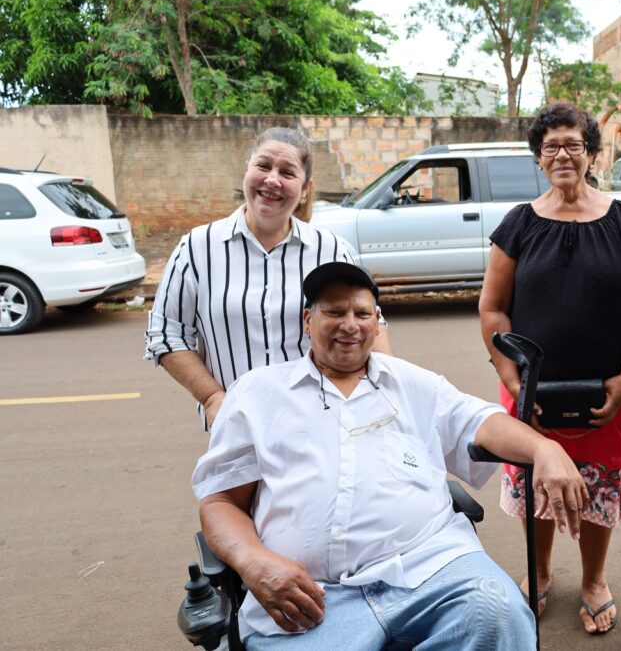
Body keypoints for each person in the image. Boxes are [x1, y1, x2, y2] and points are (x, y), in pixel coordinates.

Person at [194, 261, 588, 649]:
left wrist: (544, 447)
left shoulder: (413, 384)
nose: (350, 325)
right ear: (308, 321)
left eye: (362, 313)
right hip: (311, 598)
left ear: (377, 322)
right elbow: (221, 500)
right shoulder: (258, 394)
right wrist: (253, 563)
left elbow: (481, 421)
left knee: (498, 613)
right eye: (335, 312)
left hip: (430, 572)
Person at [478, 102, 621, 634]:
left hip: (607, 391)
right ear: (538, 157)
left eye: (573, 145)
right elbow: (493, 309)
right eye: (550, 146)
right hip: (531, 390)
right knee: (538, 480)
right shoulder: (518, 224)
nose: (561, 155)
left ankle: (594, 579)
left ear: (591, 154)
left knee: (598, 486)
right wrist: (513, 382)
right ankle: (538, 569)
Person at [144, 127, 390, 428]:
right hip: (238, 427)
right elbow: (166, 333)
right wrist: (212, 398)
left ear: (305, 189)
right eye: (263, 166)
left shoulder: (331, 250)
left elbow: (372, 326)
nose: (272, 179)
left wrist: (387, 397)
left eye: (287, 172)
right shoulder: (198, 248)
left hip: (320, 424)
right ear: (246, 171)